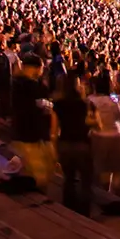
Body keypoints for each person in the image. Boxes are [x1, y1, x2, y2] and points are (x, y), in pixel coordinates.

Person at [10, 53, 56, 188]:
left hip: (28, 132)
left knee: (42, 165)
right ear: (36, 68)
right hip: (30, 134)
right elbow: (27, 107)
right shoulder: (27, 85)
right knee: (39, 172)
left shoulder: (19, 82)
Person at [53, 74, 95, 216]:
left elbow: (54, 129)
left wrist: (54, 149)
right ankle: (84, 213)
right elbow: (91, 124)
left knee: (69, 179)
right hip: (82, 144)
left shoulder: (58, 104)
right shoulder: (85, 103)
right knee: (86, 181)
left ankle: (68, 209)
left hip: (65, 144)